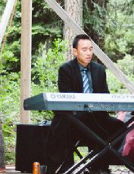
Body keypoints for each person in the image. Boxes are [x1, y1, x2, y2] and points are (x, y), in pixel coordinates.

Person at [47, 34, 125, 174]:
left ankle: (99, 165)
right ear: (75, 51)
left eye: (90, 49)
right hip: (74, 118)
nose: (88, 53)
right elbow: (66, 97)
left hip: (96, 117)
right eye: (84, 49)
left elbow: (105, 94)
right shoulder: (65, 69)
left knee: (119, 127)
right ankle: (65, 168)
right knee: (61, 127)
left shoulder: (99, 70)